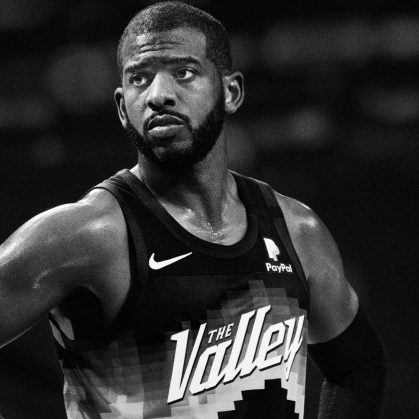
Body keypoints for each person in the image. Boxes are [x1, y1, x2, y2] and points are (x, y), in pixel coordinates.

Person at [0, 2, 387, 418]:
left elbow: (358, 369)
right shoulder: (83, 235)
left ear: (231, 93)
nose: (158, 95)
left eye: (183, 72)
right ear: (122, 107)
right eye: (139, 78)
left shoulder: (297, 230)